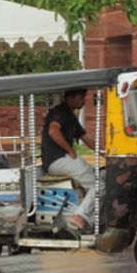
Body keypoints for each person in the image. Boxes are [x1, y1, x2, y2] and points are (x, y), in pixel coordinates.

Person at [41, 88, 97, 230]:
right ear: (70, 98)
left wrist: (106, 152)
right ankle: (80, 217)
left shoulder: (70, 116)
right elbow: (53, 131)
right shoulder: (59, 112)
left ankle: (89, 221)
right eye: (80, 97)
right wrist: (70, 149)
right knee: (99, 185)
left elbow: (86, 138)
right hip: (58, 159)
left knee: (98, 176)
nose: (83, 101)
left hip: (60, 160)